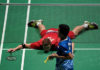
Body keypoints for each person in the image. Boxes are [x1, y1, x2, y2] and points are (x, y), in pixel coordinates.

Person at [8, 19, 98, 53]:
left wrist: (70, 52)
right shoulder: (39, 44)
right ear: (42, 45)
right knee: (42, 31)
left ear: (51, 45)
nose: (46, 49)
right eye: (45, 47)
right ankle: (38, 23)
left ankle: (85, 25)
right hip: (49, 32)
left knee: (74, 33)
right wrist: (14, 49)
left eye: (47, 47)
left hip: (58, 33)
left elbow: (71, 43)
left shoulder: (58, 44)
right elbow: (24, 45)